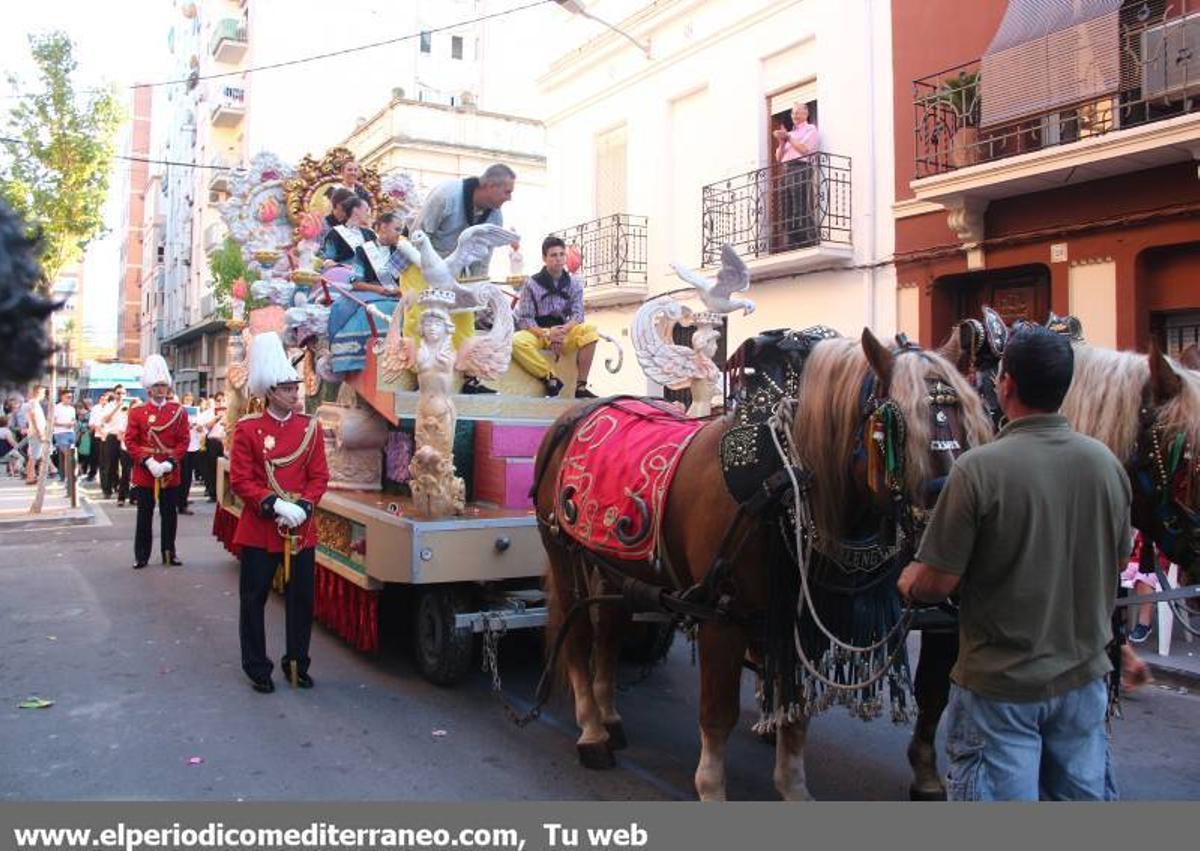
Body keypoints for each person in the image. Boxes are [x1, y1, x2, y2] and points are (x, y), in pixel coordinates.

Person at [897, 326, 1131, 801]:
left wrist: (909, 581)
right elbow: (1119, 556)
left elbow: (938, 583)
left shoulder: (978, 470)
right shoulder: (1105, 464)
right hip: (1084, 682)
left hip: (1001, 691)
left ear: (1005, 385)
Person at [230, 332, 330, 694]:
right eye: (288, 388)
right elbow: (241, 479)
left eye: (297, 387)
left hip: (300, 528)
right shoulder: (248, 429)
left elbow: (320, 475)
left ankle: (297, 663)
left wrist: (303, 506)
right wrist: (275, 504)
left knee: (302, 601)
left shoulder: (310, 428)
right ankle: (257, 667)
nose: (296, 394)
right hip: (260, 528)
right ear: (271, 391)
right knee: (253, 599)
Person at [511, 236, 600, 398]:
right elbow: (525, 319)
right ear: (545, 258)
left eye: (561, 254)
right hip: (538, 332)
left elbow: (578, 315)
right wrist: (547, 334)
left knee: (590, 331)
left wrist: (561, 332)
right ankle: (549, 376)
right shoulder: (531, 284)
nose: (559, 259)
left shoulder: (574, 284)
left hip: (563, 330)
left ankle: (581, 387)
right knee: (516, 341)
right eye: (553, 255)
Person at [125, 355, 190, 569]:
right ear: (148, 389)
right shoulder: (137, 412)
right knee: (144, 515)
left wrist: (171, 462)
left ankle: (169, 552)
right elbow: (130, 441)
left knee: (169, 514)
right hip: (146, 470)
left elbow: (184, 440)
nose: (161, 389)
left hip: (169, 470)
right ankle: (141, 555)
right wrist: (148, 462)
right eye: (157, 386)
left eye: (164, 385)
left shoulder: (178, 411)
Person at [411, 163, 515, 278]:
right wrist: (431, 271)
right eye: (507, 192)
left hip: (452, 279)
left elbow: (481, 263)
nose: (509, 198)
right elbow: (417, 237)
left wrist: (478, 288)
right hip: (420, 270)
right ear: (490, 186)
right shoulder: (445, 195)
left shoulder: (495, 218)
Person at [772, 101, 820, 249]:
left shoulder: (810, 130)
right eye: (793, 113)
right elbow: (779, 158)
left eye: (798, 112)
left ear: (806, 114)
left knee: (800, 207)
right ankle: (792, 241)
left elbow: (804, 149)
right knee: (786, 208)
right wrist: (781, 142)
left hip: (801, 167)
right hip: (786, 170)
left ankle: (809, 239)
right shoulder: (790, 134)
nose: (795, 116)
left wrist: (789, 138)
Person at [97, 385, 131, 505]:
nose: (121, 395)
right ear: (114, 394)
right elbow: (105, 420)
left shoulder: (129, 405)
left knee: (126, 466)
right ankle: (107, 489)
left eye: (123, 393)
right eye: (118, 393)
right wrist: (117, 407)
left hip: (125, 437)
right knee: (110, 464)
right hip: (112, 435)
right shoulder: (110, 405)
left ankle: (125, 490)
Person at [319, 196, 376, 267]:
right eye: (366, 210)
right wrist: (344, 267)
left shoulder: (370, 234)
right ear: (356, 211)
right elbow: (327, 261)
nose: (368, 214)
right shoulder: (335, 233)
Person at [178, 392, 203, 515]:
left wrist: (198, 427)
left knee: (188, 476)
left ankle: (184, 498)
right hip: (184, 448)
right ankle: (181, 503)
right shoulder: (180, 412)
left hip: (194, 446)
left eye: (190, 399)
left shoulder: (197, 413)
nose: (189, 401)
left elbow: (201, 429)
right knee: (183, 475)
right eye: (186, 399)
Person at [201, 391, 227, 502]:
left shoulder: (230, 412)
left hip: (225, 442)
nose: (221, 403)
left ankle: (224, 493)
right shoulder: (209, 412)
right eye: (218, 400)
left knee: (225, 469)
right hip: (212, 442)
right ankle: (213, 493)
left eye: (223, 400)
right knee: (212, 469)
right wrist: (216, 418)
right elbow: (205, 427)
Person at [22, 385, 47, 484]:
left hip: (35, 431)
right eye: (43, 392)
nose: (44, 394)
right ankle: (30, 477)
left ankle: (29, 475)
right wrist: (40, 432)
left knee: (33, 455)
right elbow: (33, 417)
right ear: (38, 392)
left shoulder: (34, 403)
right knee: (34, 456)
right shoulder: (33, 403)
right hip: (36, 432)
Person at [50, 388, 77, 483]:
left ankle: (66, 475)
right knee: (67, 454)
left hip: (71, 432)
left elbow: (73, 419)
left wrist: (72, 423)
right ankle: (67, 476)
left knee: (71, 454)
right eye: (68, 397)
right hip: (60, 433)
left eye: (71, 397)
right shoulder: (56, 408)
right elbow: (52, 422)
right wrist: (64, 425)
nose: (70, 399)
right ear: (62, 397)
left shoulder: (72, 408)